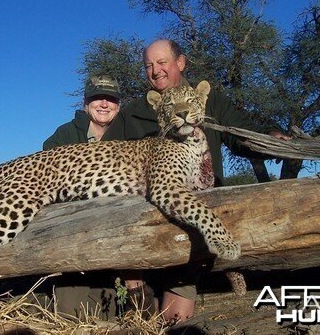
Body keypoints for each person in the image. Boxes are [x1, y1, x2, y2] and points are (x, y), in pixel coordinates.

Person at [103, 38, 290, 321]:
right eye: (149, 66)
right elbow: (102, 157)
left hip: (195, 213)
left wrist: (268, 140)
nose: (156, 71)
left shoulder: (208, 99)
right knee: (141, 308)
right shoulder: (133, 112)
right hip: (142, 220)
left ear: (180, 62)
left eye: (162, 62)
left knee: (176, 314)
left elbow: (239, 132)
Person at [43, 74, 122, 318]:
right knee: (69, 313)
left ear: (119, 106)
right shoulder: (64, 135)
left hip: (115, 236)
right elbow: (45, 174)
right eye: (97, 98)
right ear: (86, 103)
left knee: (109, 313)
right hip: (72, 236)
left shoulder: (129, 133)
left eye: (110, 99)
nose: (104, 104)